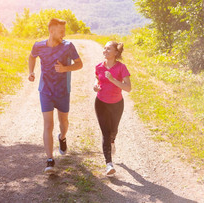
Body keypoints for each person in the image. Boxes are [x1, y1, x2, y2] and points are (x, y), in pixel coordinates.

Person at [28, 18, 83, 173]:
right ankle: (50, 160)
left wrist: (65, 69)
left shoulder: (68, 46)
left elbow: (80, 64)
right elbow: (31, 57)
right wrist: (31, 72)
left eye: (64, 31)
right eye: (61, 31)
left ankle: (62, 137)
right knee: (48, 124)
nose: (63, 34)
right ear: (51, 31)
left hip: (62, 91)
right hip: (45, 90)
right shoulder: (38, 46)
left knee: (63, 122)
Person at [94, 41, 131, 175]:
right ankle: (109, 164)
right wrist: (95, 86)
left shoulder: (121, 68)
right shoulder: (99, 66)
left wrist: (113, 80)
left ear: (116, 52)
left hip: (116, 104)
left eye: (109, 49)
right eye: (104, 48)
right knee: (105, 133)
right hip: (101, 103)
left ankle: (112, 141)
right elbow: (97, 79)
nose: (105, 50)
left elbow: (128, 88)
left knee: (113, 130)